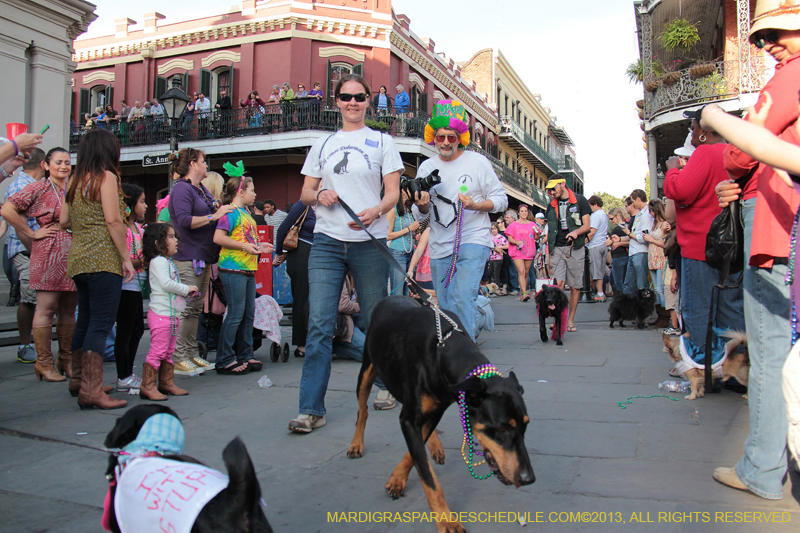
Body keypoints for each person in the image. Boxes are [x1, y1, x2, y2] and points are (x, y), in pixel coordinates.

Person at [704, 0, 800, 499]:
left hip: (777, 221)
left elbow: (744, 150)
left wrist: (719, 122)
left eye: (778, 31)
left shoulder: (790, 76)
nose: (769, 44)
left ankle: (761, 469)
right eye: (761, 37)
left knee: (769, 351)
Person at [288, 73, 403, 433]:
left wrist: (377, 210)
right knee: (319, 323)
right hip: (326, 241)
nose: (353, 103)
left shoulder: (382, 141)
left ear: (369, 100)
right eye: (346, 97)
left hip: (369, 241)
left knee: (375, 319)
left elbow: (393, 191)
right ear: (336, 101)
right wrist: (319, 194)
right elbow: (305, 192)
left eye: (359, 97)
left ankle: (387, 383)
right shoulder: (323, 144)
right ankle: (311, 409)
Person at [413, 99, 508, 339]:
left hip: (472, 239)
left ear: (460, 138)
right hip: (439, 244)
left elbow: (501, 200)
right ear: (434, 138)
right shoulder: (426, 167)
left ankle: (466, 349)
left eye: (451, 137)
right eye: (440, 137)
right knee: (446, 303)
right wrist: (421, 206)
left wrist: (476, 205)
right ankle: (455, 342)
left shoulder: (477, 162)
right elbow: (419, 215)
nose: (445, 142)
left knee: (463, 295)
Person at [62, 128, 135, 410]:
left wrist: (85, 223)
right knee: (101, 324)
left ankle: (79, 380)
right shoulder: (106, 178)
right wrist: (126, 257)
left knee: (85, 319)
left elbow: (64, 221)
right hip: (103, 259)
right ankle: (92, 391)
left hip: (79, 258)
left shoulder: (74, 179)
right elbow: (113, 221)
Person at [664, 108, 744, 343]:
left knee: (699, 313)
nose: (691, 132)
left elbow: (680, 191)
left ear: (704, 131)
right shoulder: (735, 153)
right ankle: (733, 363)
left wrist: (672, 170)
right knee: (730, 313)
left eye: (693, 127)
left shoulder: (706, 152)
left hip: (701, 247)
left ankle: (702, 363)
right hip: (733, 247)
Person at [3, 147, 77, 383]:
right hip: (48, 251)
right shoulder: (39, 187)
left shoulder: (73, 188)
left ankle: (66, 359)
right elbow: (8, 209)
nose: (63, 166)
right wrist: (31, 233)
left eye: (67, 162)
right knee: (46, 307)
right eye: (58, 162)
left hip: (74, 253)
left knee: (69, 308)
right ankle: (44, 362)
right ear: (46, 165)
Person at [167, 148, 234, 375]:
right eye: (204, 161)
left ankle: (191, 352)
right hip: (188, 257)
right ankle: (179, 357)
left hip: (204, 256)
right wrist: (214, 216)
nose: (207, 165)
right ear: (193, 164)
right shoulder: (181, 189)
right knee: (187, 309)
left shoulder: (200, 189)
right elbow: (184, 220)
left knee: (195, 309)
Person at [212, 165, 272, 374]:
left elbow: (244, 239)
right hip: (233, 269)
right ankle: (224, 359)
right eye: (252, 190)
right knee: (236, 314)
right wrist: (245, 247)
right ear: (241, 191)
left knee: (247, 314)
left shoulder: (245, 213)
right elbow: (218, 237)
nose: (255, 194)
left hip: (246, 270)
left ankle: (246, 355)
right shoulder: (230, 212)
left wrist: (259, 246)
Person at [140, 223, 197, 400]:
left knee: (168, 350)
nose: (176, 241)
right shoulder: (159, 261)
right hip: (161, 315)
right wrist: (186, 288)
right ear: (158, 243)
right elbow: (166, 284)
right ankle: (148, 385)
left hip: (171, 315)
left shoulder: (167, 261)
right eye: (171, 237)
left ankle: (166, 382)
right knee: (158, 350)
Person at [2, 148, 45, 364]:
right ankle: (25, 345)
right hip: (24, 248)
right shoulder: (22, 186)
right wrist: (34, 242)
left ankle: (37, 345)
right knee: (29, 296)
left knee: (39, 298)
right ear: (43, 164)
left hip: (37, 248)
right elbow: (18, 223)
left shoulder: (38, 185)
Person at [544, 175, 591, 333]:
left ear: (562, 184)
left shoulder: (580, 200)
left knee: (575, 286)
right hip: (557, 247)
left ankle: (570, 319)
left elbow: (587, 226)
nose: (551, 192)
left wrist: (576, 232)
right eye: (549, 190)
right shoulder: (551, 204)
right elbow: (550, 228)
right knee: (558, 285)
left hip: (575, 247)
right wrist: (547, 246)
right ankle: (559, 318)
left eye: (553, 188)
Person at [113, 183, 147, 392]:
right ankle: (123, 375)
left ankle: (128, 372)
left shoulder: (138, 229)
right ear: (131, 204)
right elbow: (121, 259)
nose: (145, 206)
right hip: (125, 283)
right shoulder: (123, 229)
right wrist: (143, 261)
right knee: (126, 330)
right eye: (142, 202)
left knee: (137, 329)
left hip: (137, 283)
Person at [275, 201, 316, 358]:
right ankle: (301, 344)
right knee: (302, 299)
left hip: (318, 255)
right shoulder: (303, 205)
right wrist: (280, 253)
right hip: (301, 253)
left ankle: (315, 340)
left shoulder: (328, 206)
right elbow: (283, 228)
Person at [642, 198, 671, 328]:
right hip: (653, 258)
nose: (650, 213)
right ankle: (660, 316)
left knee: (660, 289)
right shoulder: (655, 224)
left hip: (660, 258)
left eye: (651, 211)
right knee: (656, 289)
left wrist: (650, 239)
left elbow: (666, 244)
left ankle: (665, 316)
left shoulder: (664, 224)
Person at [386, 188, 419, 296]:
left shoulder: (408, 209)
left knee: (407, 290)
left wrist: (415, 233)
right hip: (397, 253)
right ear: (403, 191)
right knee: (398, 290)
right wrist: (408, 229)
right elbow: (387, 235)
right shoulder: (393, 210)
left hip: (410, 251)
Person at [505, 204, 540, 301]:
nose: (524, 213)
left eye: (525, 211)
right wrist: (516, 242)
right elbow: (510, 238)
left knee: (526, 273)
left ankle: (523, 292)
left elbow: (536, 238)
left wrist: (537, 233)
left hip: (529, 251)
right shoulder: (513, 225)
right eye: (522, 211)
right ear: (519, 213)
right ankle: (524, 293)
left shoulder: (532, 224)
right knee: (521, 271)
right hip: (517, 251)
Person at [621, 189, 653, 294]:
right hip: (634, 252)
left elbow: (644, 237)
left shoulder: (646, 215)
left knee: (642, 285)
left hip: (640, 252)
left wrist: (630, 234)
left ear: (638, 199)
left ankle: (645, 304)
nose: (633, 204)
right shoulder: (640, 214)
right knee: (629, 285)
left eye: (633, 201)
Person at [586, 195, 609, 302]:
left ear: (595, 205)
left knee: (596, 270)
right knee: (600, 269)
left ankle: (600, 293)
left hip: (595, 245)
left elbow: (592, 232)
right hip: (602, 244)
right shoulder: (604, 214)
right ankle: (599, 292)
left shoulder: (596, 215)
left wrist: (583, 242)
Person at [606, 207, 629, 296]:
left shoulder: (617, 229)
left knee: (617, 283)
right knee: (617, 280)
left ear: (618, 216)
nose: (611, 221)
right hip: (624, 256)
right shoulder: (626, 227)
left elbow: (607, 243)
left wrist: (615, 242)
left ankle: (620, 299)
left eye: (612, 218)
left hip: (618, 257)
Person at [489, 223, 508, 288]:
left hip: (498, 258)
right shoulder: (489, 237)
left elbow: (507, 245)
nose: (493, 230)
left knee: (496, 274)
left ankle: (497, 288)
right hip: (490, 258)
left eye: (495, 229)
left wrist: (499, 247)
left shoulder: (501, 237)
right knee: (489, 273)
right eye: (492, 229)